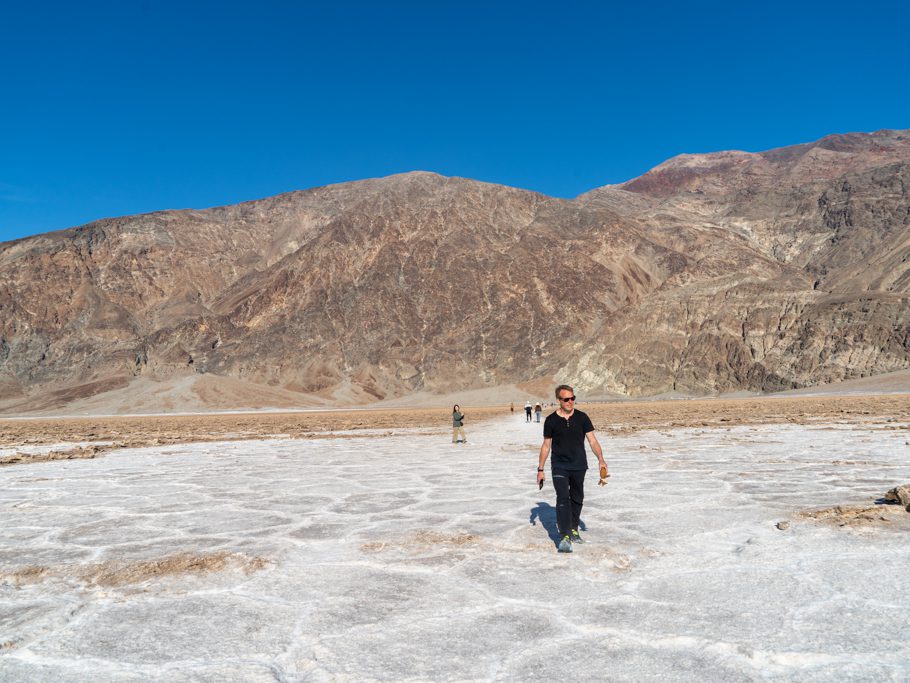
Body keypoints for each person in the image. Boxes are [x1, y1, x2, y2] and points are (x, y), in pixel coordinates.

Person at [536, 384, 608, 553]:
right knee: (562, 498)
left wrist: (601, 459)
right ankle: (565, 536)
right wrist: (540, 469)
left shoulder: (582, 418)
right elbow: (546, 446)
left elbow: (593, 441)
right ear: (559, 401)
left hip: (579, 465)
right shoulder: (551, 420)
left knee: (577, 498)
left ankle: (574, 528)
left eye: (573, 398)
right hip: (559, 465)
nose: (570, 402)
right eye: (566, 399)